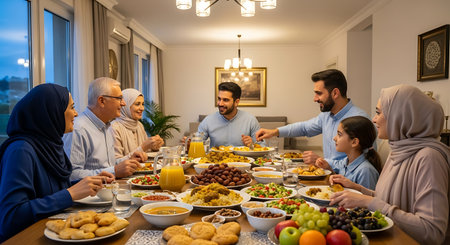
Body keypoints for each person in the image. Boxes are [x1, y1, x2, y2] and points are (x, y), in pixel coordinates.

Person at [329, 84, 450, 244]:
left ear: (401, 116)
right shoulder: (398, 149)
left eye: (379, 112)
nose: (374, 119)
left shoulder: (429, 157)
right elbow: (387, 200)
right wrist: (358, 189)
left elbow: (432, 232)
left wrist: (369, 202)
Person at [0, 84, 114, 242]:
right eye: (72, 107)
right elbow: (11, 217)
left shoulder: (51, 144)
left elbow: (49, 190)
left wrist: (85, 184)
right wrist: (71, 194)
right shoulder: (21, 150)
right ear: (50, 112)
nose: (75, 113)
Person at [255, 69, 371, 165]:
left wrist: (322, 161)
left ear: (335, 93)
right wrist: (273, 132)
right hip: (329, 177)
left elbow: (365, 162)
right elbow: (304, 127)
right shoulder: (326, 115)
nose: (315, 99)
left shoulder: (360, 119)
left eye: (319, 93)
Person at [63, 77, 146, 180]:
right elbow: (72, 175)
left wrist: (129, 159)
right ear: (102, 101)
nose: (123, 103)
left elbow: (108, 165)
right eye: (119, 98)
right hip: (92, 195)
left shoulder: (106, 126)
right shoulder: (78, 129)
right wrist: (114, 171)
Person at [315, 116, 380, 190]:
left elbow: (366, 199)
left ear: (354, 142)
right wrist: (329, 169)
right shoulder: (345, 162)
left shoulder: (366, 171)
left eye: (339, 134)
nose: (334, 138)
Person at [197, 82, 260, 147]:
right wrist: (189, 143)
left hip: (243, 157)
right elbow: (197, 142)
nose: (220, 104)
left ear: (236, 102)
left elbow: (263, 147)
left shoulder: (250, 120)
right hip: (217, 157)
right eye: (219, 99)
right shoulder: (208, 120)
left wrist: (252, 145)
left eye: (225, 100)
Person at [110, 88, 164, 159]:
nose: (142, 108)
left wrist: (154, 147)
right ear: (125, 106)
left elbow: (146, 154)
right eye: (137, 104)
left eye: (142, 104)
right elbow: (116, 163)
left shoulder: (139, 125)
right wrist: (143, 147)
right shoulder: (114, 128)